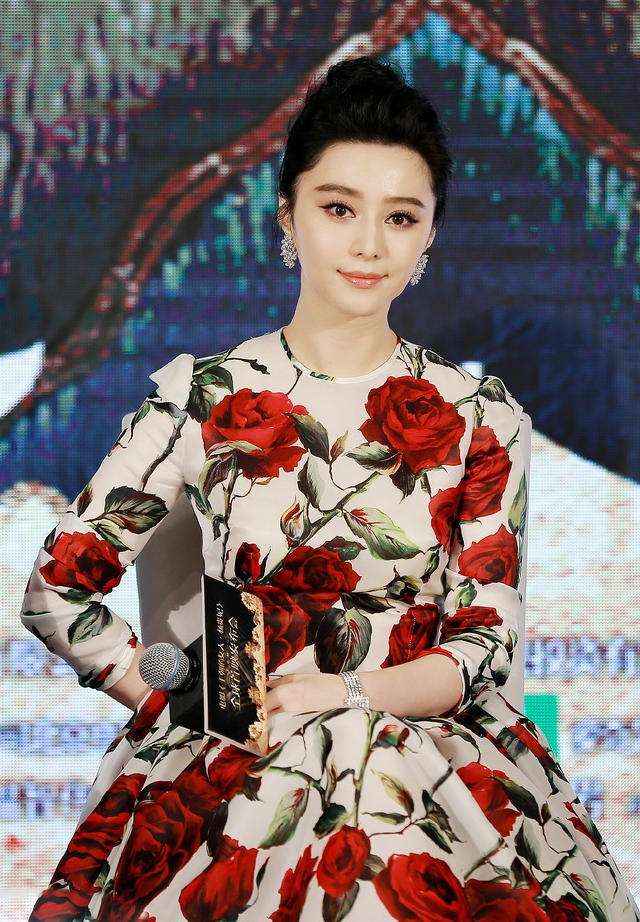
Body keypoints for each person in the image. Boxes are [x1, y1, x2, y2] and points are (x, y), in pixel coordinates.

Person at [20, 56, 639, 921]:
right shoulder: (204, 397)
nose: (369, 245)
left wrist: (346, 698)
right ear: (288, 215)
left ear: (430, 236)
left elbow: (486, 642)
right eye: (339, 208)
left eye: (401, 217)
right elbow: (58, 591)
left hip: (429, 769)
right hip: (242, 762)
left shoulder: (479, 416)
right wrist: (173, 688)